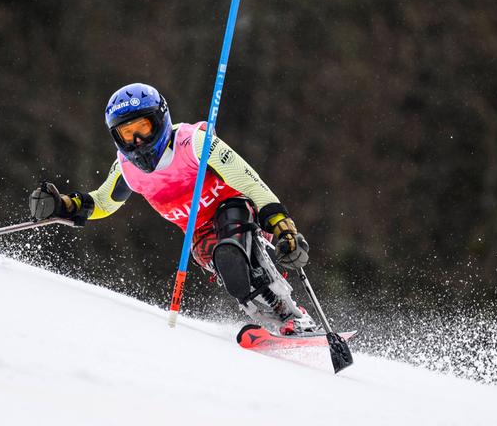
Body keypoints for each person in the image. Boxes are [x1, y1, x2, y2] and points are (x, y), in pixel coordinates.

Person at [29, 83, 317, 334]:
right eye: (126, 134)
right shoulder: (127, 169)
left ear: (161, 119)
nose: (137, 142)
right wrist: (63, 205)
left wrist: (282, 227)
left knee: (233, 233)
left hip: (237, 208)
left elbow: (252, 184)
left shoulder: (195, 143)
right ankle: (270, 315)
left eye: (143, 128)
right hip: (201, 233)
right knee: (227, 262)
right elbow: (102, 202)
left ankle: (290, 312)